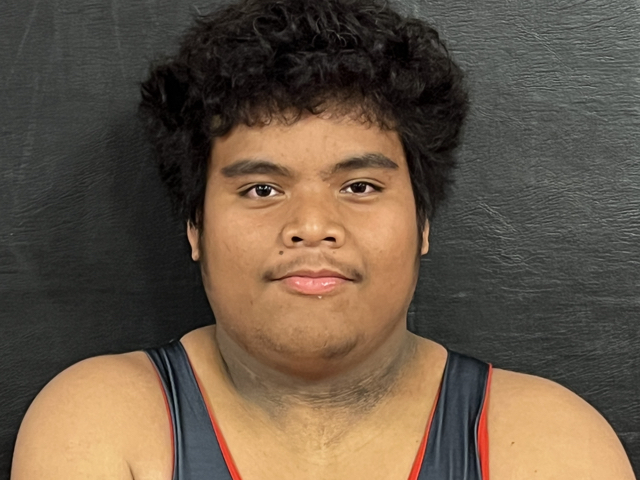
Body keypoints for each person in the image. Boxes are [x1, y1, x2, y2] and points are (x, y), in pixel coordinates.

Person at [10, 0, 636, 478]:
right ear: (195, 227)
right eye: (262, 189)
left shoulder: (549, 442)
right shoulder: (103, 424)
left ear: (423, 221)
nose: (311, 226)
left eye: (360, 186)